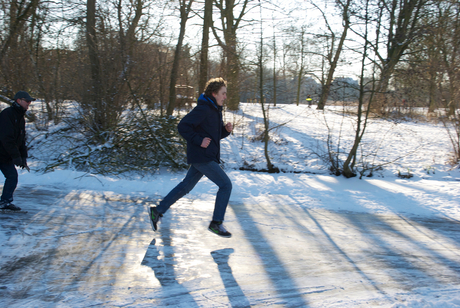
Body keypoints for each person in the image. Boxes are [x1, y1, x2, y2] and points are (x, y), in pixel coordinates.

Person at [148, 78, 234, 237]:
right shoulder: (204, 109)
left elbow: (212, 136)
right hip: (203, 157)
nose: (225, 97)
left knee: (185, 187)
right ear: (214, 94)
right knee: (226, 185)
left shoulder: (215, 110)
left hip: (205, 156)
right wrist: (198, 140)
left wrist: (225, 131)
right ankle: (216, 223)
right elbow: (183, 126)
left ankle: (158, 211)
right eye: (223, 93)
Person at [0, 91, 35, 212]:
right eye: (27, 101)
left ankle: (5, 201)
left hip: (5, 155)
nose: (29, 103)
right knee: (11, 176)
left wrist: (23, 157)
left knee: (12, 176)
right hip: (2, 152)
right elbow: (7, 138)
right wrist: (15, 156)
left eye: (30, 101)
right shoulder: (7, 114)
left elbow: (21, 139)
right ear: (18, 101)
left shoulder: (20, 117)